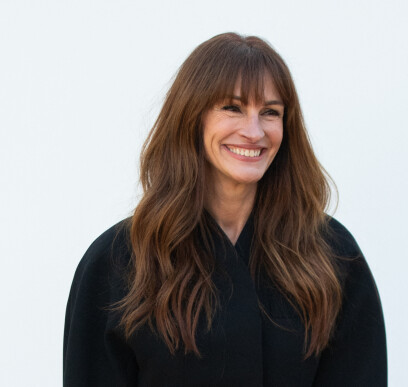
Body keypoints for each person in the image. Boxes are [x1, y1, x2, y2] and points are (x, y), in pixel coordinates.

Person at [63, 32, 387, 386]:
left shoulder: (332, 256)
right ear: (192, 117)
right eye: (232, 108)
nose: (254, 130)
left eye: (270, 112)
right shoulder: (119, 261)